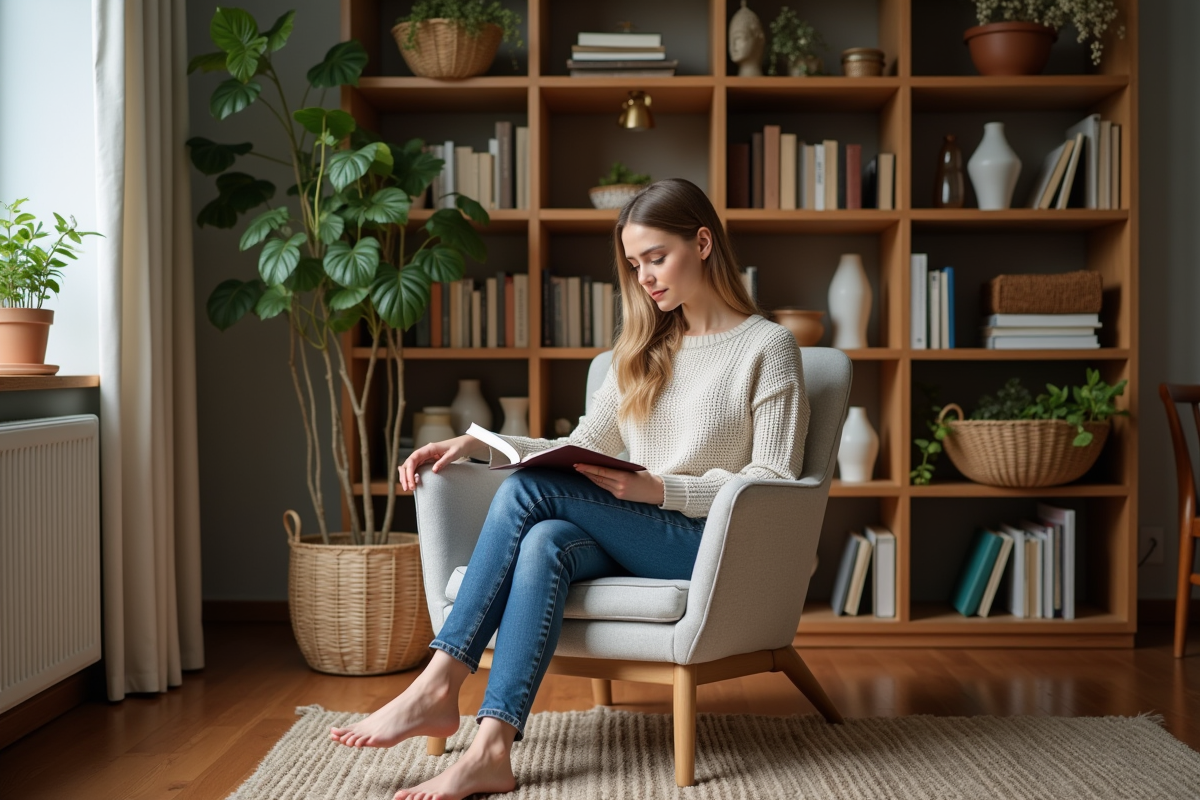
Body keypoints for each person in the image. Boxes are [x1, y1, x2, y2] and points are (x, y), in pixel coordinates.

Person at [329, 177, 811, 800]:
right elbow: (581, 441)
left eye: (656, 258)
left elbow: (772, 478)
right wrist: (480, 442)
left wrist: (664, 491)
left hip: (711, 541)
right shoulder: (643, 347)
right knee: (546, 539)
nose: (645, 278)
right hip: (635, 531)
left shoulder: (768, 346)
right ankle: (491, 749)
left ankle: (438, 683)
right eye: (634, 264)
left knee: (533, 498)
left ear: (703, 241)